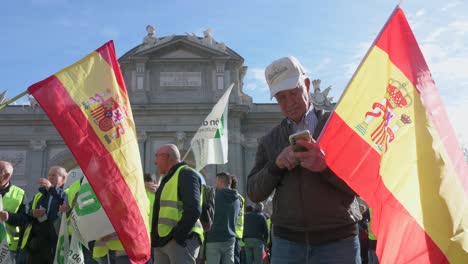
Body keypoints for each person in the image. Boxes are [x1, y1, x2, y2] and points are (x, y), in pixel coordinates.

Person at [247, 56, 362, 263]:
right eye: (281, 97)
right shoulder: (270, 140)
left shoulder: (336, 126)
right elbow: (254, 192)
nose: (289, 103)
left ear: (307, 85)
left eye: (294, 92)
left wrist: (325, 167)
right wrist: (276, 166)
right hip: (287, 244)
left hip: (338, 242)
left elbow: (361, 183)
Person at [152, 144, 203, 264]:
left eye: (157, 157)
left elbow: (193, 209)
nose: (155, 162)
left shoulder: (187, 174)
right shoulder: (168, 178)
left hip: (180, 241)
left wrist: (179, 236)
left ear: (167, 156)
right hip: (163, 241)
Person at [12, 166, 68, 264]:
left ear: (63, 178)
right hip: (38, 241)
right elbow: (27, 210)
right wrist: (32, 212)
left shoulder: (66, 193)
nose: (50, 177)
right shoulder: (40, 194)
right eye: (49, 175)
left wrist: (51, 188)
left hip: (57, 239)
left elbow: (63, 201)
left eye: (54, 175)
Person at [205, 172, 240, 264]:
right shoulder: (237, 200)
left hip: (214, 239)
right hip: (230, 240)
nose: (215, 184)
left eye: (216, 182)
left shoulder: (215, 196)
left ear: (220, 182)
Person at [0, 161, 27, 264]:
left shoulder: (20, 193)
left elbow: (25, 219)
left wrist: (9, 217)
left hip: (7, 248)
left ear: (6, 175)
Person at [230, 175, 244, 264]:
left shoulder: (234, 197)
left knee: (234, 258)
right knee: (234, 258)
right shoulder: (240, 197)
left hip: (233, 232)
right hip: (237, 233)